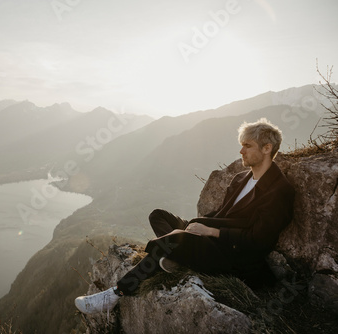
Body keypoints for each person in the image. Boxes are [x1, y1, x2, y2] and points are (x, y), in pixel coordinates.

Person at [75, 118, 295, 315]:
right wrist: (195, 225)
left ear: (267, 148)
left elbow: (258, 241)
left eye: (247, 146)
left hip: (235, 256)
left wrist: (210, 232)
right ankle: (174, 257)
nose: (241, 152)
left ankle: (115, 294)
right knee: (158, 216)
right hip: (213, 240)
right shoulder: (241, 179)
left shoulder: (278, 190)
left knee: (174, 239)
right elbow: (221, 214)